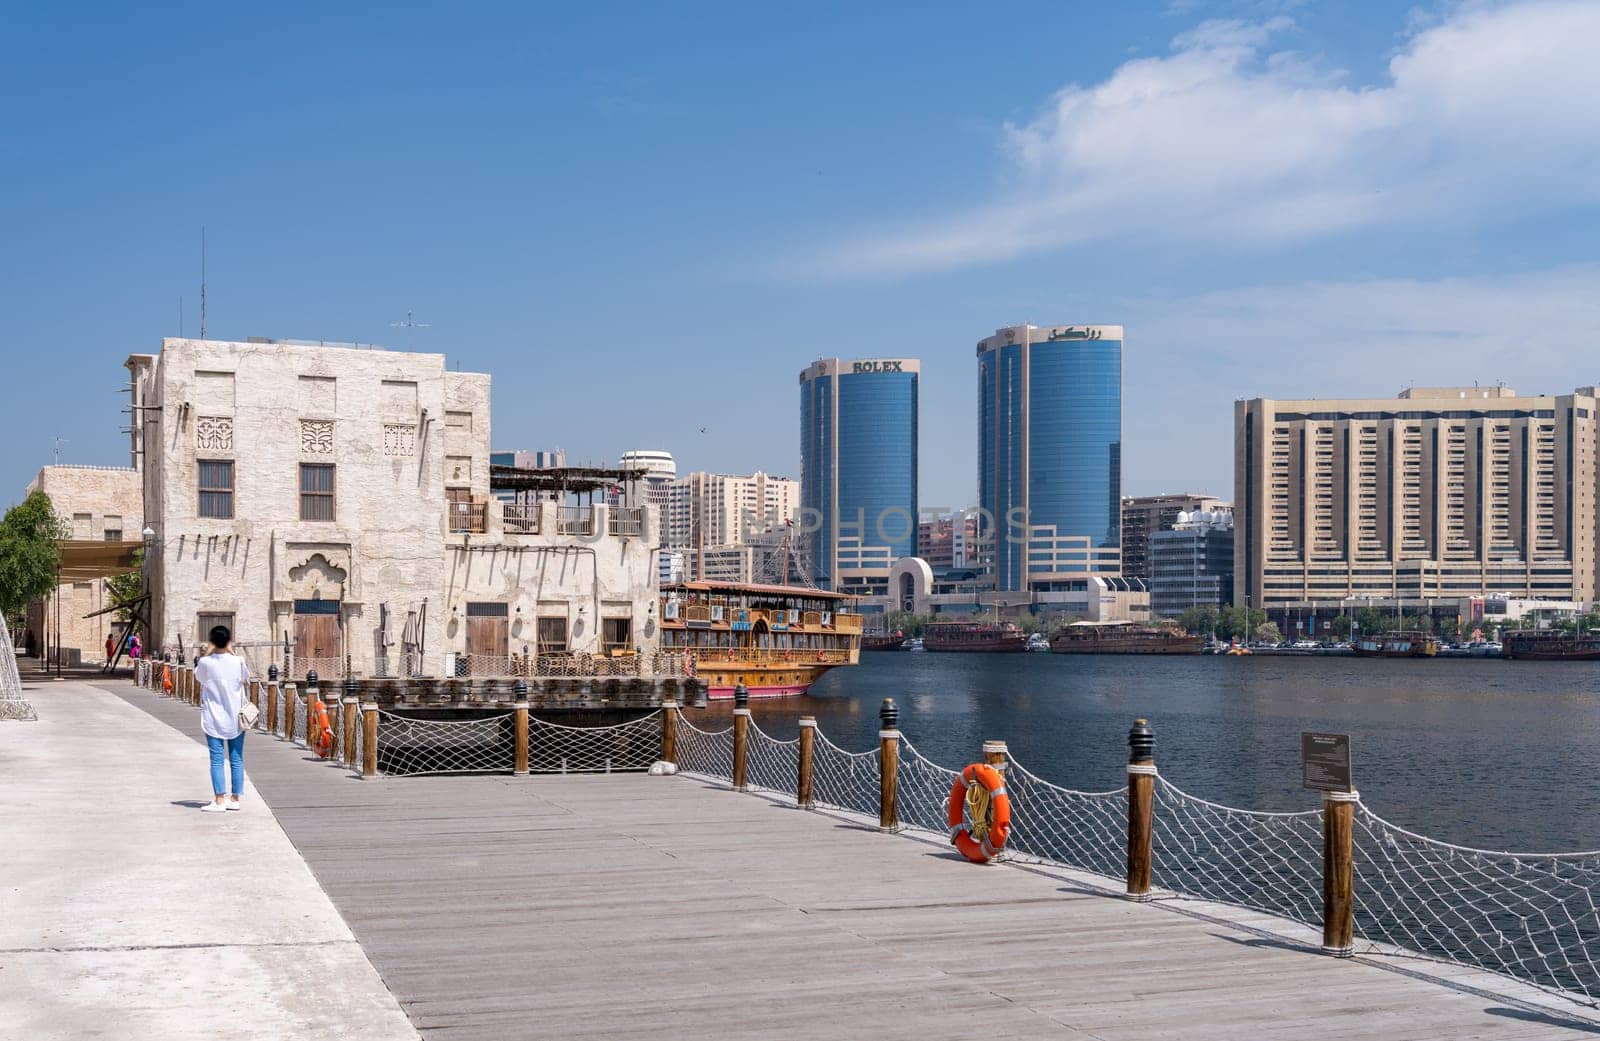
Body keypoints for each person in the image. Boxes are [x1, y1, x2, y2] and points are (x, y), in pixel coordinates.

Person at [194, 624, 249, 812]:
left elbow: (199, 677)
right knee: (237, 758)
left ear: (212, 642)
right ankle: (235, 799)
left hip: (213, 716)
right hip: (236, 717)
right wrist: (231, 651)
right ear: (228, 641)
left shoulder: (205, 663)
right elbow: (244, 678)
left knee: (217, 759)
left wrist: (209, 651)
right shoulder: (239, 661)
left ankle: (219, 800)